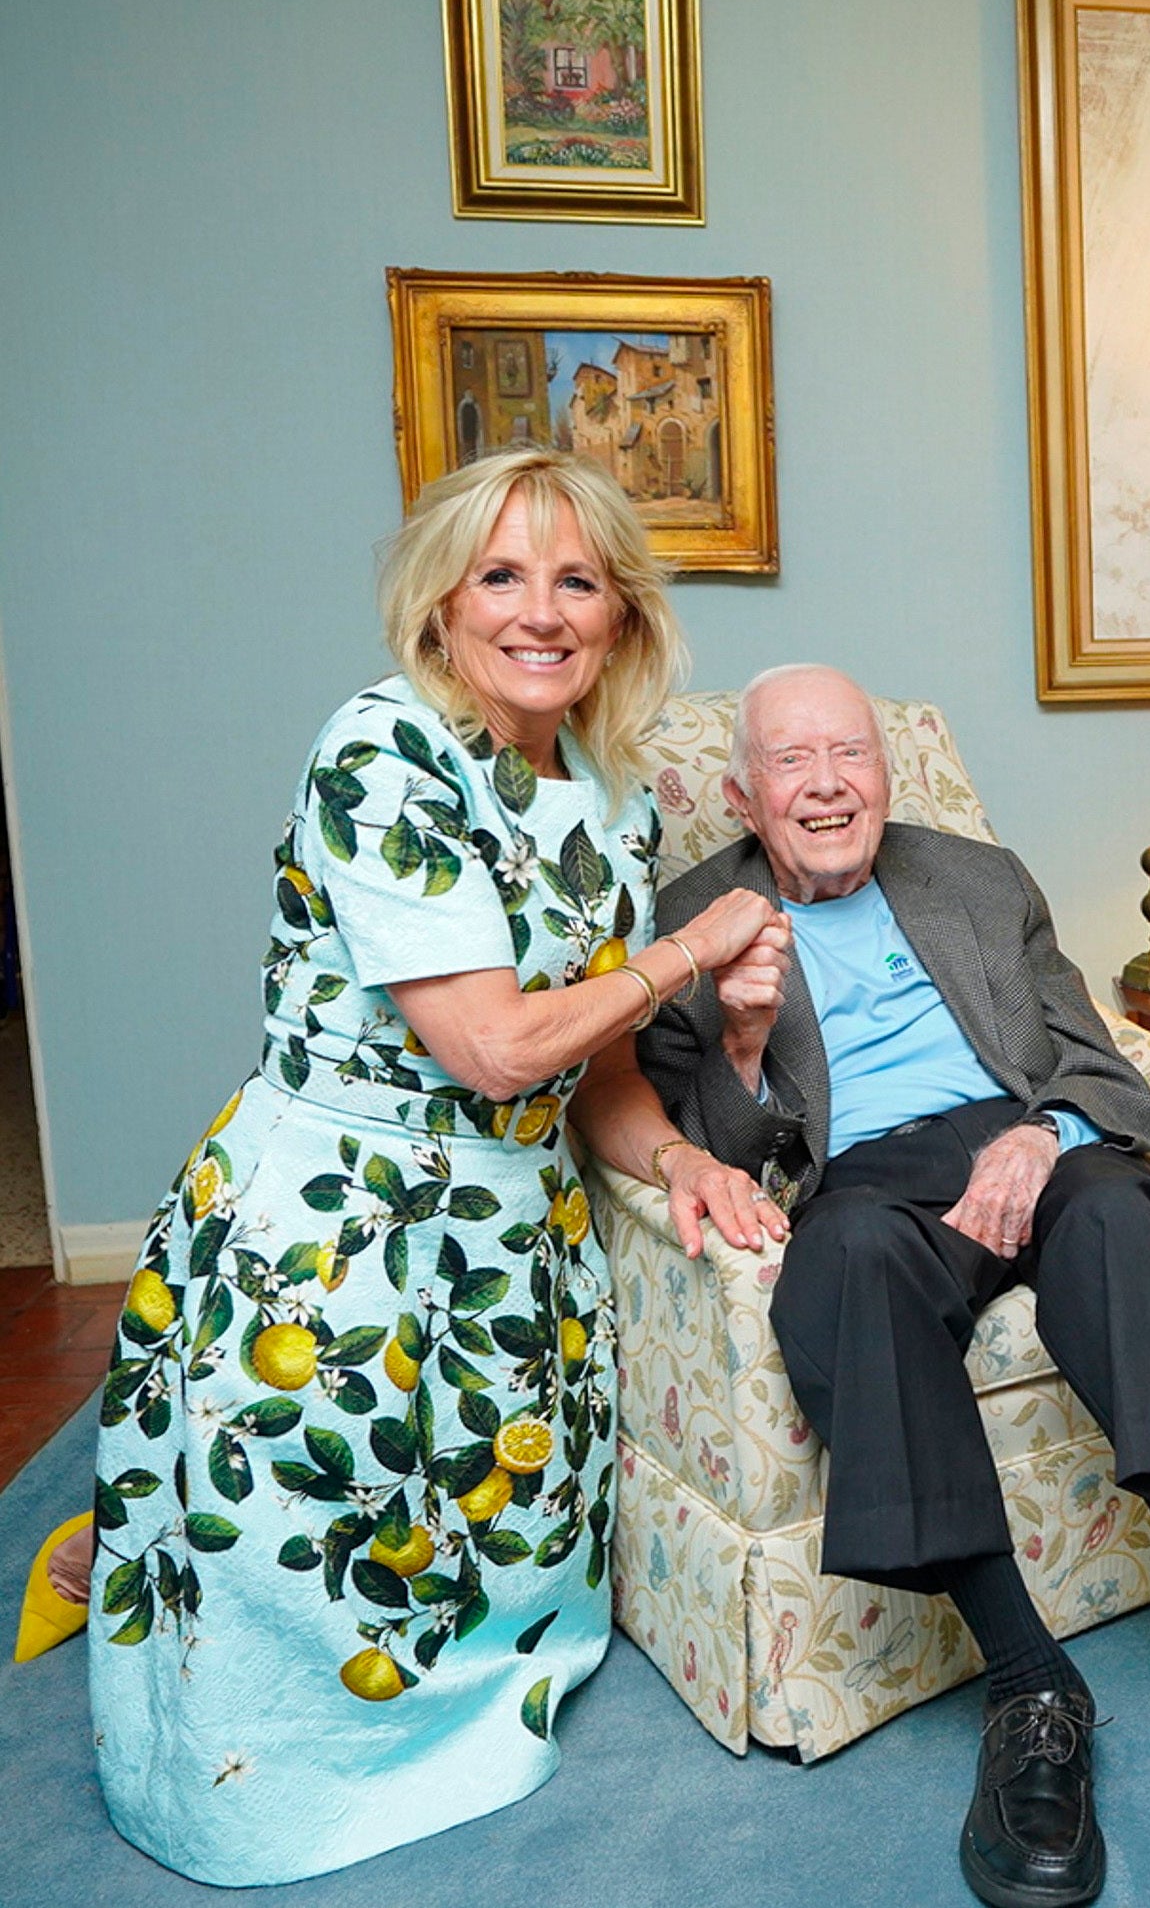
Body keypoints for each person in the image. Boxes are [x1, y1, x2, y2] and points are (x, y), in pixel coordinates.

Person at [89, 448, 782, 1885]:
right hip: (340, 1228)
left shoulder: (615, 795)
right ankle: (252, 1793)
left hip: (514, 1237)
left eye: (578, 581)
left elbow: (591, 1073)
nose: (542, 612)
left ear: (623, 619)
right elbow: (493, 1048)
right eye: (503, 576)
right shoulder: (380, 748)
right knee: (303, 1539)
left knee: (484, 1539)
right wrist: (688, 950)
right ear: (443, 604)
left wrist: (675, 1163)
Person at [596, 664, 1150, 1908]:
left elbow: (1105, 1070)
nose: (829, 784)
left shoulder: (977, 878)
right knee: (845, 1260)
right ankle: (1031, 1684)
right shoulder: (691, 922)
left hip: (1025, 1138)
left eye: (851, 754)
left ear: (886, 772)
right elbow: (723, 1159)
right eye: (793, 762)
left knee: (1115, 1212)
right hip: (865, 1184)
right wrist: (734, 1042)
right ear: (741, 792)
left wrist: (1043, 1133)